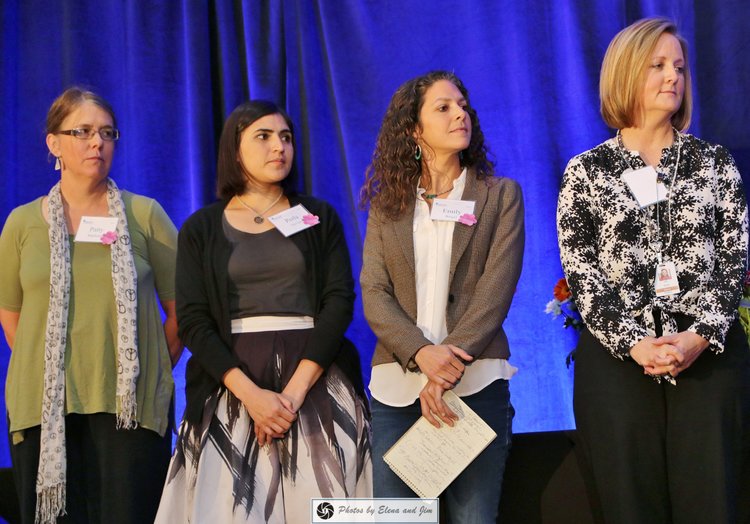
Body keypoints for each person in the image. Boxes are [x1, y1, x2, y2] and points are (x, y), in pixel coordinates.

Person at [557, 17, 750, 523]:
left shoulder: (715, 163)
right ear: (625, 75)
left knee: (713, 504)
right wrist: (636, 343)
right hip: (621, 365)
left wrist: (699, 336)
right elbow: (584, 274)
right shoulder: (585, 173)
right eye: (658, 65)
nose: (673, 77)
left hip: (706, 361)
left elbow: (732, 261)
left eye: (680, 67)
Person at [156, 100, 372, 523]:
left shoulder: (318, 217)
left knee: (329, 509)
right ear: (235, 150)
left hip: (315, 380)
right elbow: (195, 322)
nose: (279, 147)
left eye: (286, 138)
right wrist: (253, 398)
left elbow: (339, 302)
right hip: (233, 384)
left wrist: (290, 397)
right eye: (264, 137)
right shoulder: (201, 228)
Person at [0, 87, 180, 524]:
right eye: (82, 131)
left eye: (107, 133)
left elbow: (183, 312)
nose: (97, 142)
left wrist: (148, 371)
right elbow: (12, 316)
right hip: (43, 406)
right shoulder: (22, 223)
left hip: (127, 409)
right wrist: (52, 369)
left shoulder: (145, 214)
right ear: (53, 143)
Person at [360, 71, 524, 522]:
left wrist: (446, 364)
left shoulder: (498, 195)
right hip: (397, 391)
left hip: (475, 385)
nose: (460, 114)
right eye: (444, 107)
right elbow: (374, 291)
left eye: (463, 106)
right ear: (414, 129)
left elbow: (497, 287)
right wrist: (420, 354)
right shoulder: (388, 203)